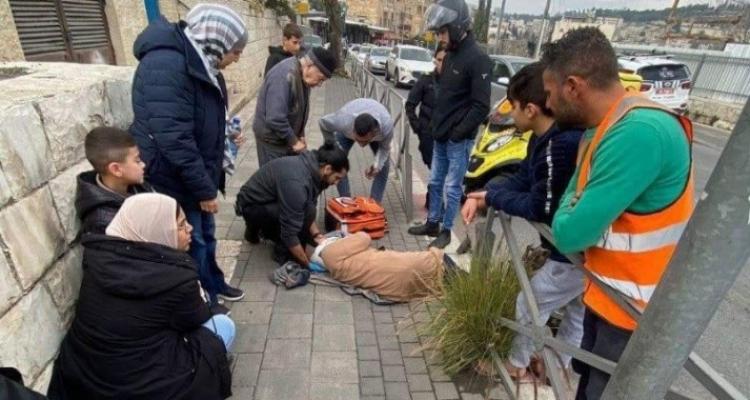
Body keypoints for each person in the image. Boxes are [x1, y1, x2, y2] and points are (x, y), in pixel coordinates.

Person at [543, 28, 693, 399]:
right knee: (588, 385)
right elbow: (574, 202)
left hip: (632, 313)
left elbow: (569, 233)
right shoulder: (608, 124)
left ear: (573, 87)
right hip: (609, 298)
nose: (547, 103)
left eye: (549, 92)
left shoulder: (638, 132)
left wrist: (569, 214)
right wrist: (571, 210)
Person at [461, 62, 585, 381]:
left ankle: (516, 365)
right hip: (578, 249)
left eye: (512, 106)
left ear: (530, 109)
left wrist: (492, 198)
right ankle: (559, 368)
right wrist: (485, 194)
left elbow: (538, 206)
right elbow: (523, 178)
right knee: (576, 311)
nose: (510, 113)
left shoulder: (559, 145)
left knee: (530, 303)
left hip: (574, 252)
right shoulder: (543, 138)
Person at [48, 194, 235, 400]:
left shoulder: (97, 257)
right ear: (159, 231)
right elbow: (197, 318)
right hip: (145, 385)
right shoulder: (177, 278)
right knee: (223, 325)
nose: (190, 228)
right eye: (181, 225)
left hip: (84, 375)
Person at [129, 3, 247, 303]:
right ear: (218, 41)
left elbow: (205, 118)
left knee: (207, 235)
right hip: (175, 177)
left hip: (196, 174)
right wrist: (204, 189)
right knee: (192, 242)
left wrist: (226, 134)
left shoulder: (204, 64)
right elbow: (174, 138)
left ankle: (214, 284)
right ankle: (203, 300)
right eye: (235, 51)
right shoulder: (166, 65)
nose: (237, 58)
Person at [408, 0, 491, 249]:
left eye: (443, 32)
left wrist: (458, 133)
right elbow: (444, 95)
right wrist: (436, 126)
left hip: (458, 140)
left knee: (452, 188)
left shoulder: (478, 59)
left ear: (457, 27)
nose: (440, 38)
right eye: (438, 33)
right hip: (441, 135)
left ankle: (446, 230)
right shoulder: (451, 55)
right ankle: (432, 222)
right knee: (435, 182)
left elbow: (481, 106)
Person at [235, 143, 349, 265]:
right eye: (337, 178)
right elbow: (290, 231)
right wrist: (306, 263)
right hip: (250, 206)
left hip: (261, 199)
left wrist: (316, 235)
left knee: (306, 214)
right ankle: (281, 254)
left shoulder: (314, 169)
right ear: (327, 169)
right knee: (298, 222)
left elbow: (309, 203)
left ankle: (254, 230)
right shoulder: (298, 182)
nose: (337, 183)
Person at [253, 47, 337, 166]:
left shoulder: (303, 76)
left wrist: (300, 135)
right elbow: (275, 118)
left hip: (284, 140)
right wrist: (294, 141)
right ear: (310, 65)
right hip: (271, 143)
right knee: (274, 176)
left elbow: (299, 110)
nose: (319, 84)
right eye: (320, 79)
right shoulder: (283, 75)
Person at [312, 231, 445, 302]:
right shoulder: (329, 252)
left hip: (394, 290)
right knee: (433, 260)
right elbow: (364, 237)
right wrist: (348, 236)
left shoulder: (337, 270)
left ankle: (444, 277)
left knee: (428, 277)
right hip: (397, 265)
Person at [75, 127, 153, 235]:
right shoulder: (105, 224)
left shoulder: (136, 184)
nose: (143, 164)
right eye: (137, 160)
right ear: (116, 169)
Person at [319, 98, 394, 203]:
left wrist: (377, 165)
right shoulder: (343, 120)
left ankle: (374, 203)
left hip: (377, 133)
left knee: (384, 166)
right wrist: (333, 146)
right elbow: (322, 123)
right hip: (347, 130)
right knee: (338, 162)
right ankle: (346, 200)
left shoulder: (387, 127)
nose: (361, 145)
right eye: (358, 140)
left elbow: (385, 149)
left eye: (365, 141)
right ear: (353, 129)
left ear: (375, 132)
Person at [405, 45, 446, 169]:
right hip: (428, 133)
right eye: (439, 60)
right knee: (433, 168)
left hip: (447, 135)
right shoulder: (426, 79)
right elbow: (410, 105)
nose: (442, 64)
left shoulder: (457, 82)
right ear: (435, 60)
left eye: (446, 60)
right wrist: (418, 128)